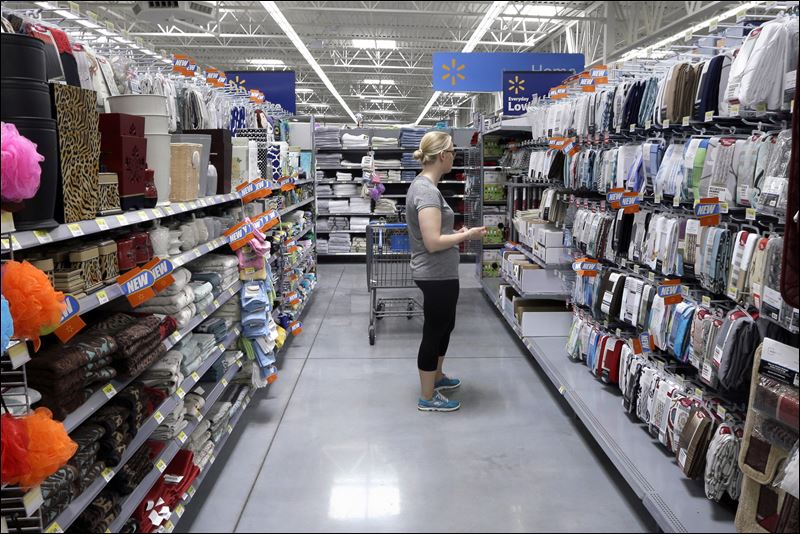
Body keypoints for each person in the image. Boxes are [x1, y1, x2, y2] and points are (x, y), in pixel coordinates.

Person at [405, 131, 487, 412]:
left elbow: (437, 233)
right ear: (442, 156)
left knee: (445, 327)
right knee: (434, 331)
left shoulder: (427, 187)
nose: (455, 156)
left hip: (441, 273)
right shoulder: (426, 191)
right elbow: (432, 242)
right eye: (452, 151)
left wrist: (455, 232)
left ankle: (437, 377)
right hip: (435, 274)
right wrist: (468, 236)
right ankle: (427, 398)